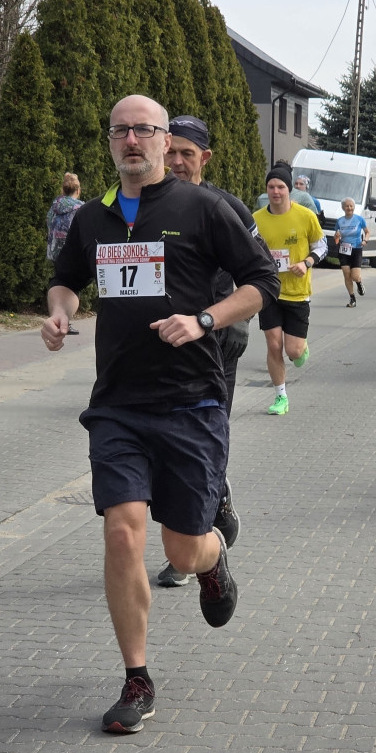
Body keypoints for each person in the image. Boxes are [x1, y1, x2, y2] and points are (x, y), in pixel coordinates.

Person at [41, 94, 279, 734]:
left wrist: (205, 319)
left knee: (183, 544)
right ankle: (137, 677)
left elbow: (263, 282)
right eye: (121, 131)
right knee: (122, 530)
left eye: (144, 130)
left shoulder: (204, 208)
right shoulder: (92, 219)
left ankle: (213, 560)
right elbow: (65, 278)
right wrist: (61, 310)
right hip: (117, 403)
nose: (132, 141)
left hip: (190, 403)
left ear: (164, 138)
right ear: (110, 140)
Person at [155, 113, 274, 588]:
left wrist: (219, 319)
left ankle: (192, 541)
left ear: (204, 158)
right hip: (161, 345)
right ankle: (216, 497)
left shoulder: (226, 207)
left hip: (217, 344)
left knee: (200, 441)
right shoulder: (141, 207)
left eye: (188, 153)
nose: (178, 161)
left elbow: (260, 274)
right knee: (164, 447)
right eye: (172, 152)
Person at [254, 166, 325, 415]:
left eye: (280, 187)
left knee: (293, 351)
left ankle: (300, 348)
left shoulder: (306, 216)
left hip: (297, 291)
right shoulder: (257, 219)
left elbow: (322, 246)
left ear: (289, 190)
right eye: (271, 187)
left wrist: (306, 263)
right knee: (274, 345)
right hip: (269, 292)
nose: (275, 191)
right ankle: (280, 397)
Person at [46, 173, 85, 335]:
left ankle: (59, 319)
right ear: (78, 189)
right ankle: (63, 322)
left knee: (61, 284)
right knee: (72, 286)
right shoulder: (81, 208)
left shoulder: (54, 207)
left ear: (63, 188)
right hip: (71, 253)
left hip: (55, 251)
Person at [334, 197, 369, 306]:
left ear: (354, 207)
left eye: (351, 206)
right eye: (347, 206)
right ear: (343, 208)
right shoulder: (339, 221)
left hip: (356, 249)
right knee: (346, 274)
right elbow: (336, 238)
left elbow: (367, 232)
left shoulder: (359, 219)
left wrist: (365, 240)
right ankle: (352, 298)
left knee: (355, 276)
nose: (349, 208)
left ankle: (359, 283)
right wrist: (337, 236)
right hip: (344, 249)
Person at [47, 172, 84, 262]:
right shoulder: (82, 209)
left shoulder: (54, 206)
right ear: (78, 191)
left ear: (63, 190)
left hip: (55, 254)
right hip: (74, 257)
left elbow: (48, 224)